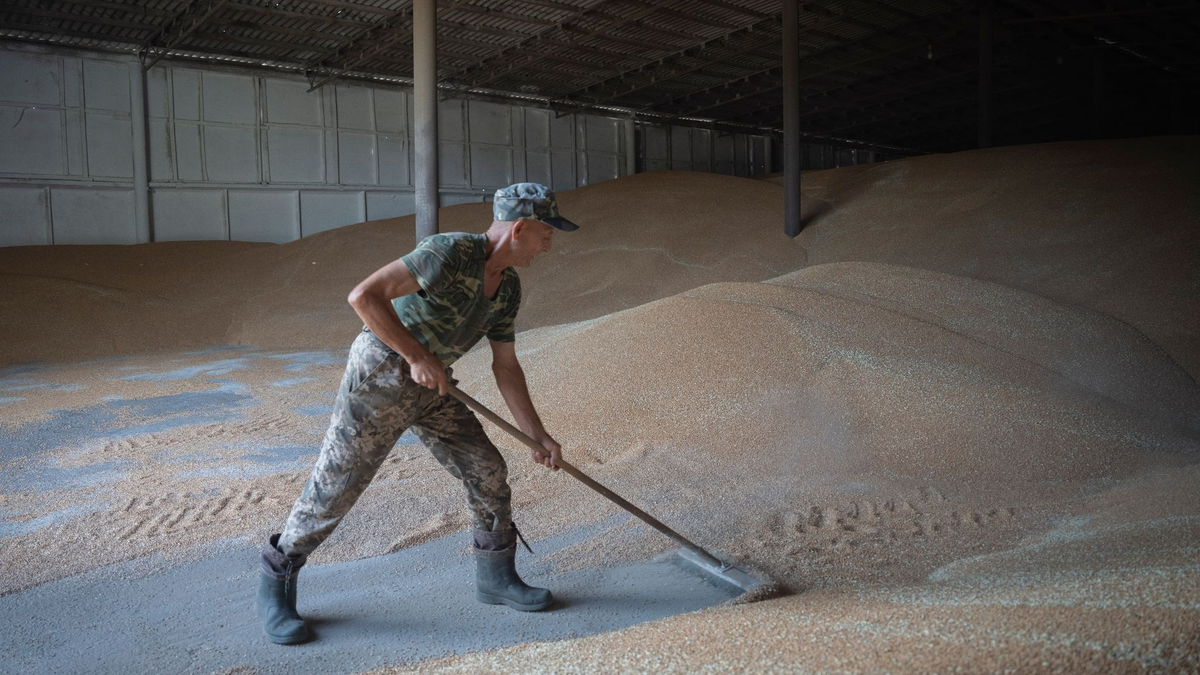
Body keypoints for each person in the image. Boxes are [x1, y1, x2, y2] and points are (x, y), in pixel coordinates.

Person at [255, 183, 579, 644]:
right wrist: (415, 355)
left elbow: (505, 366)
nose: (550, 243)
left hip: (434, 386)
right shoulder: (450, 252)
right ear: (521, 228)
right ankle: (276, 584)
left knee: (487, 469)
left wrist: (537, 435)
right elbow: (364, 296)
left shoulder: (507, 288)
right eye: (547, 232)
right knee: (336, 488)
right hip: (381, 376)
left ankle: (496, 578)